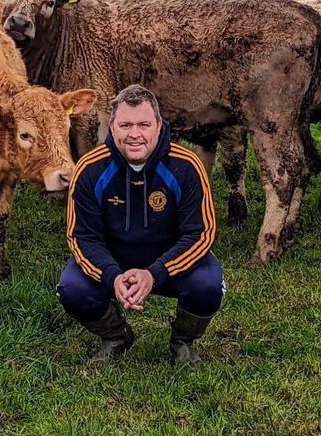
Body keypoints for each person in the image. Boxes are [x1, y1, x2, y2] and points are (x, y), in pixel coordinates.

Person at [57, 84, 223, 365]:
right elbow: (82, 237)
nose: (134, 134)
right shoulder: (89, 168)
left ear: (159, 125)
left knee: (208, 285)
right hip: (114, 261)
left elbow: (200, 234)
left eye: (144, 124)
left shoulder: (186, 166)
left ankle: (183, 341)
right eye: (125, 125)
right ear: (112, 126)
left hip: (169, 261)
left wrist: (155, 273)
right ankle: (115, 336)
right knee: (71, 288)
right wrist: (113, 277)